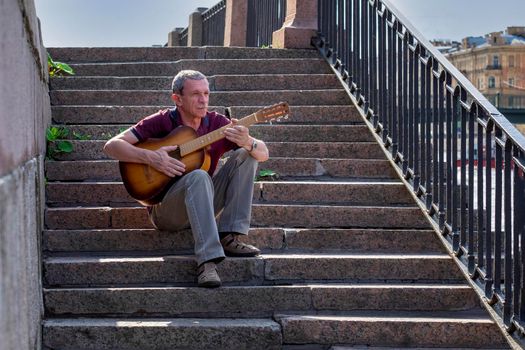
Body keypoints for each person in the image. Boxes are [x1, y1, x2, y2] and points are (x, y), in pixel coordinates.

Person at [103, 70, 269, 288]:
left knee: (245, 156)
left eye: (206, 93)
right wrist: (151, 157)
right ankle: (207, 261)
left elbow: (263, 154)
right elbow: (112, 146)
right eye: (195, 94)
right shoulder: (162, 121)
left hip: (205, 203)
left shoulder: (217, 124)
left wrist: (249, 142)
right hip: (166, 211)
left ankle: (229, 236)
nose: (203, 100)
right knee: (199, 176)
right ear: (177, 98)